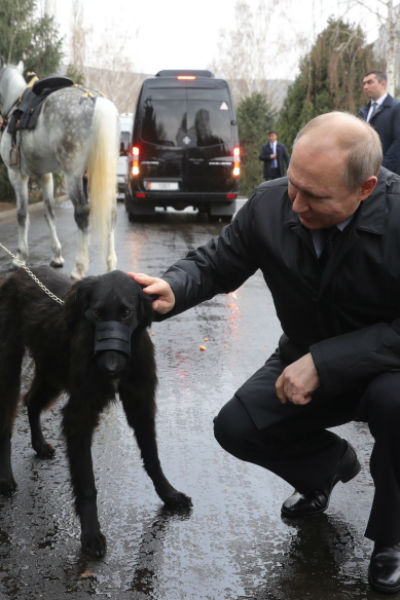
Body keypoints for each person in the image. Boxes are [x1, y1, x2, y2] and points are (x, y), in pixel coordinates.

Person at [130, 112, 400, 594]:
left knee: (395, 406)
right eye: (293, 183)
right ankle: (328, 467)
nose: (294, 204)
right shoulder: (271, 204)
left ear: (365, 188)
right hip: (302, 356)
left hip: (388, 368)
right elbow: (216, 262)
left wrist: (326, 361)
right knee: (237, 427)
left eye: (313, 196)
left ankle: (392, 539)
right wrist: (174, 286)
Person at [358, 69, 400, 175]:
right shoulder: (363, 111)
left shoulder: (396, 108)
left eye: (370, 82)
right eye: (364, 83)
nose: (365, 87)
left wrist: (382, 169)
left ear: (383, 84)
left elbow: (398, 142)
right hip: (365, 171)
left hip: (387, 175)